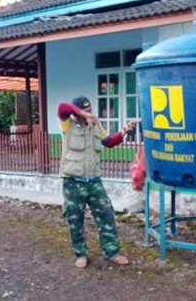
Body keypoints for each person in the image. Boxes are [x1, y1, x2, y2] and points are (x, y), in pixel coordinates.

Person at [58, 96, 137, 268]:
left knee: (106, 214)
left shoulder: (96, 126)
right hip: (73, 181)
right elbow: (62, 107)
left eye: (90, 110)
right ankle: (81, 254)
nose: (89, 114)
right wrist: (82, 114)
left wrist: (125, 130)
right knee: (75, 219)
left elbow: (108, 142)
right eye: (85, 111)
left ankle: (112, 253)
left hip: (94, 181)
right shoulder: (67, 124)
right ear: (77, 112)